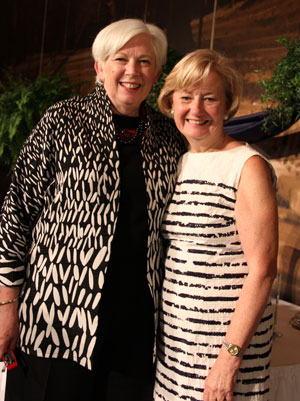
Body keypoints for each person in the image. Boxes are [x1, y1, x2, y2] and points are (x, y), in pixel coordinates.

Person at [0, 18, 184, 401]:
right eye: (121, 59)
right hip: (58, 319)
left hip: (135, 329)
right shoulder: (62, 121)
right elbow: (16, 214)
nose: (133, 71)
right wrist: (5, 305)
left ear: (158, 72)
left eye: (145, 61)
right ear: (100, 67)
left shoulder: (170, 138)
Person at [154, 49, 278, 401]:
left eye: (209, 98)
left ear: (227, 104)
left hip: (222, 355)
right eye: (186, 97)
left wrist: (229, 359)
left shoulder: (247, 165)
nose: (196, 109)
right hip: (175, 351)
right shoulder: (180, 162)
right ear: (170, 103)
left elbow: (263, 271)